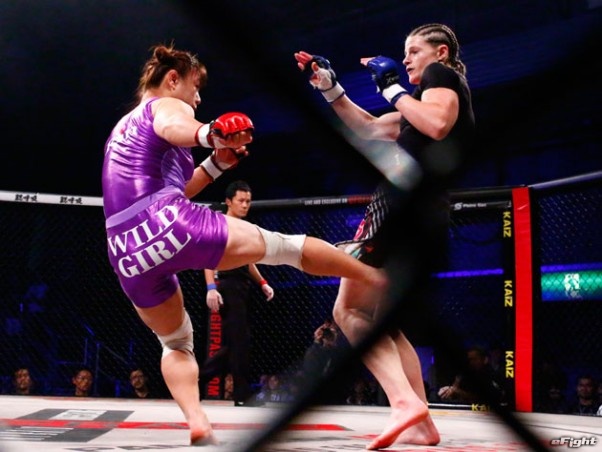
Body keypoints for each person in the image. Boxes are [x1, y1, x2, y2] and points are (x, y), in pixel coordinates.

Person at [101, 43, 386, 446]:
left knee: (175, 342)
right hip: (168, 222)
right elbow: (174, 125)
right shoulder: (165, 106)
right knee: (285, 248)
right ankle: (374, 278)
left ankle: (197, 420)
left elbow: (174, 187)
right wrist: (208, 132)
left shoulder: (120, 130)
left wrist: (216, 163)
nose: (198, 99)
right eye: (195, 88)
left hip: (125, 251)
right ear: (173, 79)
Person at [295, 22, 475, 449]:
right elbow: (370, 127)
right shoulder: (422, 101)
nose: (406, 58)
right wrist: (330, 87)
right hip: (425, 212)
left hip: (399, 203)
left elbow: (437, 124)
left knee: (349, 310)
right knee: (383, 324)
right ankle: (420, 419)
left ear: (441, 53)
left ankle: (403, 402)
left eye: (414, 50)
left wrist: (392, 88)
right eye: (404, 52)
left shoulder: (442, 77)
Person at [200, 180, 274, 407]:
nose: (245, 205)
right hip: (228, 285)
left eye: (248, 201)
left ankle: (197, 379)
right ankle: (242, 394)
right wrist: (211, 287)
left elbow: (248, 259)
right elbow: (208, 257)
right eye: (241, 201)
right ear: (229, 202)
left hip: (243, 286)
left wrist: (262, 282)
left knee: (237, 343)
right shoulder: (220, 224)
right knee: (239, 342)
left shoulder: (245, 227)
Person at [437, 345, 505, 405]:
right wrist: (447, 390)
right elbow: (454, 392)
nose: (471, 362)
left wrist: (458, 392)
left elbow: (486, 398)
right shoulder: (464, 375)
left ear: (485, 360)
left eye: (474, 359)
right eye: (469, 360)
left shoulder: (492, 375)